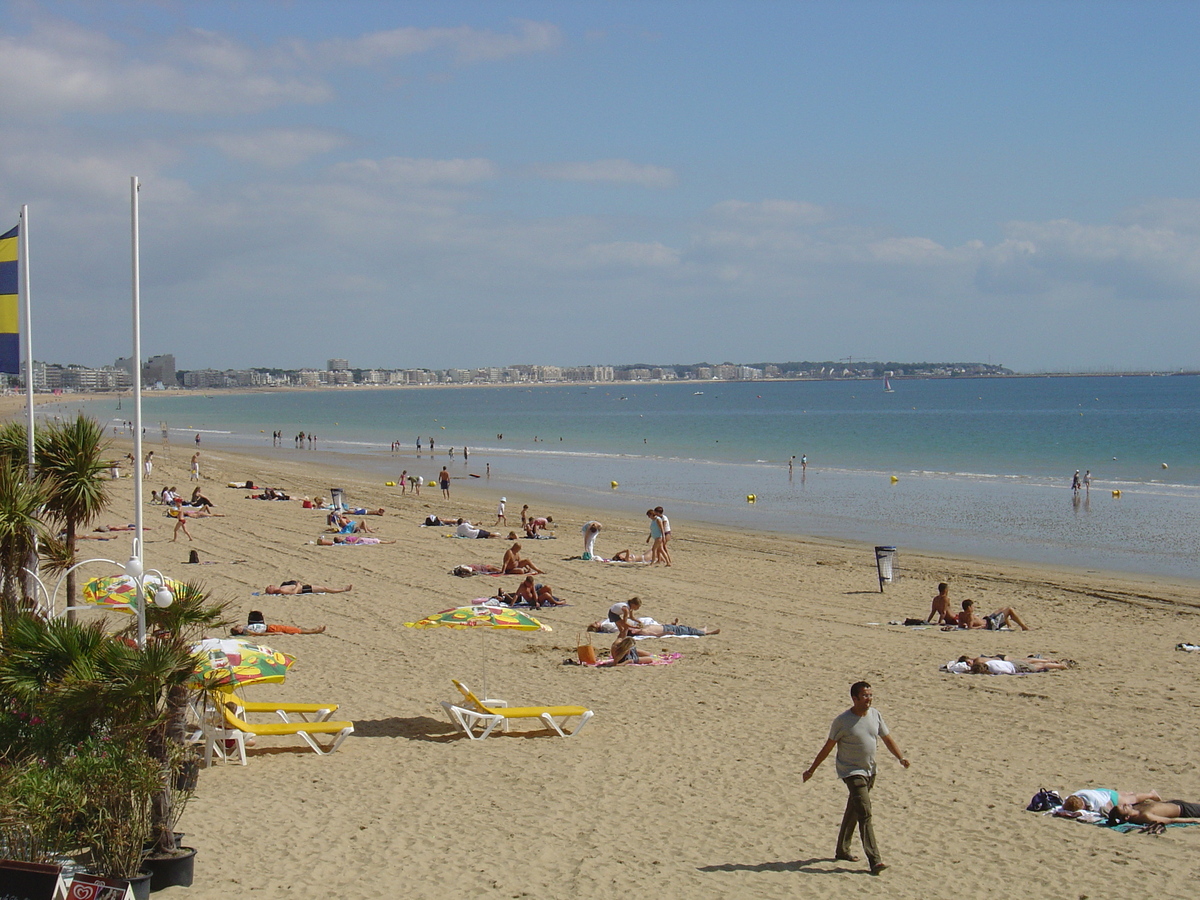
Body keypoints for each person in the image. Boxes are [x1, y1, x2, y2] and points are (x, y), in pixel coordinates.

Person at [802, 682, 910, 875]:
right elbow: (828, 747)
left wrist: (900, 757)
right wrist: (811, 770)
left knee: (854, 808)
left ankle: (842, 850)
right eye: (865, 696)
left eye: (870, 695)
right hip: (851, 773)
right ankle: (875, 860)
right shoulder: (842, 721)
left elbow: (887, 738)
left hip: (870, 771)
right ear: (855, 698)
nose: (869, 699)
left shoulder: (875, 715)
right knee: (865, 813)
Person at [1107, 798, 1200, 828]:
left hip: (1174, 803)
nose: (1126, 804)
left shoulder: (1134, 807)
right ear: (1126, 817)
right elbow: (1170, 821)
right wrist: (1194, 820)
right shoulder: (1145, 816)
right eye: (1124, 807)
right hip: (1185, 810)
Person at [1062, 789, 1161, 814]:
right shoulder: (1074, 796)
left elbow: (1106, 808)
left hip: (1110, 797)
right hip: (1100, 792)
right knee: (1121, 795)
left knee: (1131, 800)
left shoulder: (1095, 803)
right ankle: (1126, 793)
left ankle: (1151, 794)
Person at [587, 618, 718, 636]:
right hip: (665, 629)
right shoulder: (642, 632)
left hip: (664, 627)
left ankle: (703, 631)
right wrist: (666, 634)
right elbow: (655, 634)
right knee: (687, 630)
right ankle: (706, 632)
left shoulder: (641, 630)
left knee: (685, 629)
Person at [957, 598, 1030, 631]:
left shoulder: (961, 614)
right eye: (973, 606)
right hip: (991, 624)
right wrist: (981, 627)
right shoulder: (970, 615)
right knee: (1009, 610)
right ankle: (1024, 627)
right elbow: (970, 627)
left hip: (988, 620)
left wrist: (963, 625)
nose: (974, 608)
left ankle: (1009, 625)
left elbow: (960, 625)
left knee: (1002, 609)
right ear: (969, 607)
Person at [961, 655, 1071, 674]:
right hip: (1011, 663)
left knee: (1038, 666)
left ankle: (1059, 666)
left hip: (1015, 667)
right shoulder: (990, 663)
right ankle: (1048, 661)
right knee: (1031, 661)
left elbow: (1008, 672)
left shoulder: (993, 669)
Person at [265, 581, 353, 595]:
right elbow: (293, 593)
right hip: (303, 589)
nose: (271, 585)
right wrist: (298, 586)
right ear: (271, 591)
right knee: (325, 588)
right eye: (269, 587)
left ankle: (343, 589)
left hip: (303, 587)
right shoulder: (281, 590)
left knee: (324, 588)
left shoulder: (281, 587)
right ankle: (343, 589)